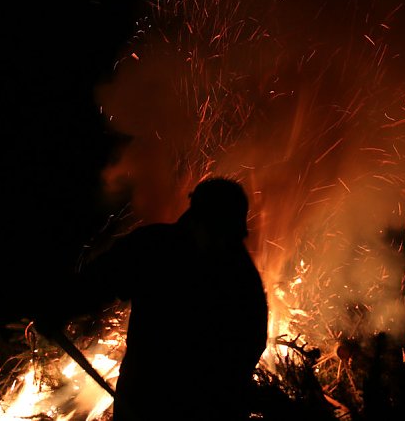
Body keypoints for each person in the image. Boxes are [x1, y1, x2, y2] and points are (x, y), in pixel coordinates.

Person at [34, 177, 269, 420]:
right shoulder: (154, 247)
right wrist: (58, 308)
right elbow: (99, 282)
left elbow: (251, 343)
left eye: (229, 235)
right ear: (198, 219)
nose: (223, 243)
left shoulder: (240, 277)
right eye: (218, 231)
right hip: (146, 396)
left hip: (205, 406)